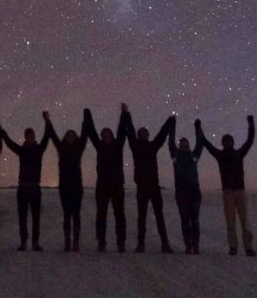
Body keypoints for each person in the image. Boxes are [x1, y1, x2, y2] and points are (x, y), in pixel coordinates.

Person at [197, 116, 256, 256]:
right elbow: (206, 143)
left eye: (229, 141)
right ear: (223, 143)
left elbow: (249, 140)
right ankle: (233, 247)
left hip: (240, 191)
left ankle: (248, 247)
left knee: (245, 221)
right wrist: (199, 129)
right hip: (228, 192)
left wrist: (251, 124)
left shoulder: (238, 154)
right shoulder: (220, 155)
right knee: (230, 221)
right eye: (226, 141)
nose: (228, 143)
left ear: (232, 142)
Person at [122, 109, 176, 253]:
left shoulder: (152, 146)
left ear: (147, 135)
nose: (143, 134)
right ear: (139, 136)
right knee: (142, 216)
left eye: (145, 133)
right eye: (141, 133)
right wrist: (127, 115)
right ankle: (141, 244)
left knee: (159, 215)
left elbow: (162, 135)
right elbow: (131, 132)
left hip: (153, 186)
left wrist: (168, 122)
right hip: (142, 186)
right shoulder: (135, 146)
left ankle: (165, 243)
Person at [0, 118, 55, 250]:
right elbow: (9, 142)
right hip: (22, 188)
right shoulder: (21, 150)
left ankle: (35, 242)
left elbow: (47, 136)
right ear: (25, 137)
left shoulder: (39, 149)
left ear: (34, 137)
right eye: (27, 136)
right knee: (22, 217)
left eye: (31, 136)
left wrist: (47, 121)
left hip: (35, 187)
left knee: (36, 217)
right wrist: (1, 130)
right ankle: (23, 242)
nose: (29, 138)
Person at [82, 103, 130, 252]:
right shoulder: (100, 145)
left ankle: (121, 242)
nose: (106, 135)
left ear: (111, 135)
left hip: (116, 185)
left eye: (108, 133)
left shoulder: (117, 145)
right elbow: (91, 131)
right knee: (101, 215)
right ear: (102, 136)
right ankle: (101, 241)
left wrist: (124, 114)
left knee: (119, 215)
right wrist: (87, 113)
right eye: (104, 134)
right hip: (102, 185)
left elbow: (122, 131)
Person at [44, 110, 88, 252]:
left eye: (73, 135)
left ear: (76, 138)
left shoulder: (79, 148)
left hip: (76, 186)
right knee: (66, 214)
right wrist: (47, 120)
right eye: (68, 135)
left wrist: (85, 119)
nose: (70, 137)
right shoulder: (61, 148)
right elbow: (52, 135)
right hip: (64, 186)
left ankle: (76, 242)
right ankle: (67, 242)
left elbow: (85, 135)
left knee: (76, 214)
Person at [168, 130, 206, 253]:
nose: (184, 146)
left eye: (186, 144)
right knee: (185, 220)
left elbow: (200, 144)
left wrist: (197, 128)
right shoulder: (175, 156)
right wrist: (172, 125)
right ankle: (188, 245)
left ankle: (196, 245)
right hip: (181, 192)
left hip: (194, 191)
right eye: (182, 144)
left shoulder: (194, 156)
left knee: (194, 220)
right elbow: (170, 142)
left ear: (189, 146)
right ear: (179, 146)